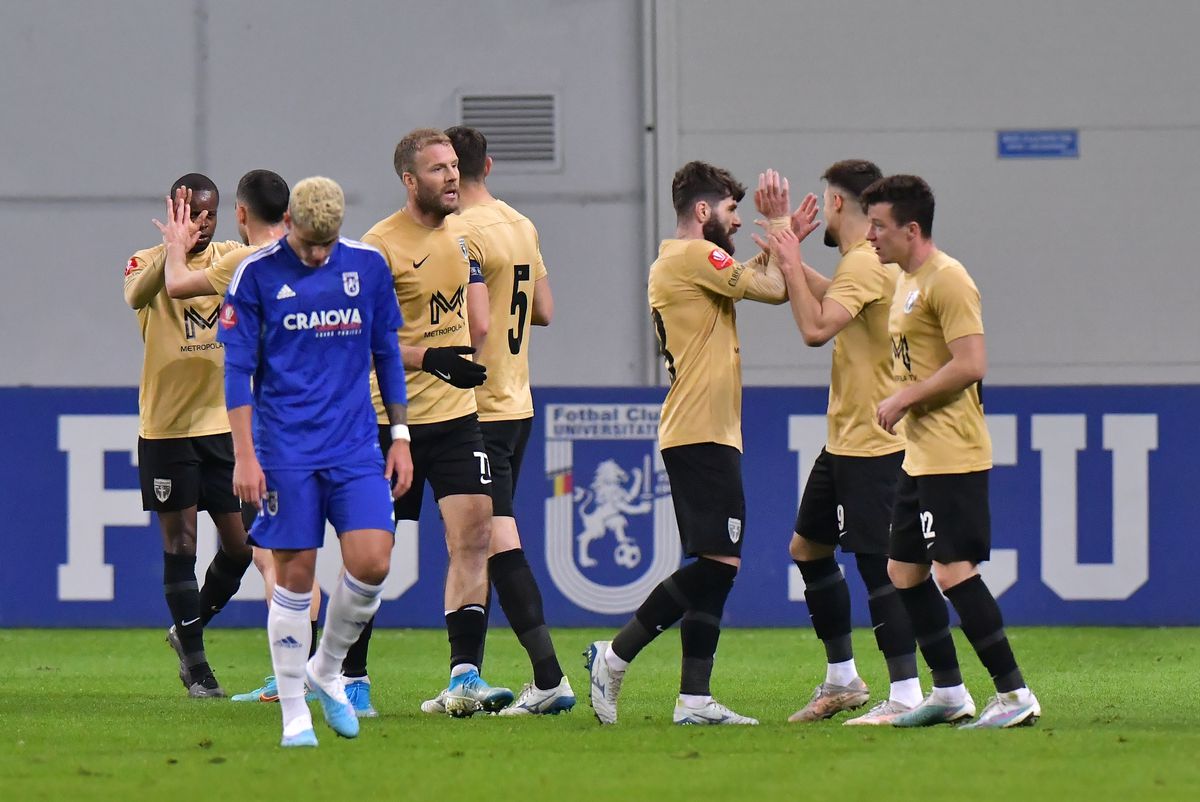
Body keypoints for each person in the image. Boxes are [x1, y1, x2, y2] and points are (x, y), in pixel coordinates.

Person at [210, 175, 413, 747]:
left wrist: (399, 436)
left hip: (353, 446)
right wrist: (245, 456)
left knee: (373, 562)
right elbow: (237, 372)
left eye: (328, 243)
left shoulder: (368, 268)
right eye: (309, 243)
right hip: (286, 450)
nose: (319, 254)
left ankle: (327, 668)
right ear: (290, 224)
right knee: (295, 578)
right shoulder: (256, 274)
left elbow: (387, 353)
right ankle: (294, 710)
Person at [586, 160, 789, 726]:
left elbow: (747, 275)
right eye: (729, 209)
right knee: (719, 563)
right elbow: (772, 289)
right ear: (703, 212)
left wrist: (778, 237)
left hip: (704, 429)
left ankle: (694, 699)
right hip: (701, 430)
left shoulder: (686, 262)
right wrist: (780, 230)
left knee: (715, 561)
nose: (736, 217)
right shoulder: (694, 256)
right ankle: (615, 654)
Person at [859, 174, 1040, 728]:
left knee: (953, 570)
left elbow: (971, 363)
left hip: (953, 454)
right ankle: (949, 692)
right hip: (920, 453)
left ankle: (1014, 695)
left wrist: (904, 397)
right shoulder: (905, 281)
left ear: (911, 229)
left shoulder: (949, 279)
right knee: (903, 571)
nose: (870, 236)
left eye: (879, 226)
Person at [346, 127, 510, 718]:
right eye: (438, 169)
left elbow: (478, 321)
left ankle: (464, 677)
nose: (451, 177)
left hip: (458, 418)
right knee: (373, 556)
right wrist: (429, 358)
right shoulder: (377, 247)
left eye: (454, 167)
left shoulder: (463, 237)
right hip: (392, 422)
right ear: (410, 180)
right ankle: (351, 675)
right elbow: (362, 339)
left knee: (474, 537)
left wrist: (467, 351)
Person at [761, 162, 922, 725]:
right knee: (808, 548)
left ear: (835, 204)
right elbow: (832, 295)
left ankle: (905, 694)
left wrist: (786, 260)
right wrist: (791, 255)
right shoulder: (862, 267)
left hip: (875, 444)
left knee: (881, 568)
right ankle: (843, 680)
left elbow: (815, 328)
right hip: (847, 441)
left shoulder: (862, 260)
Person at [162, 170, 324, 703]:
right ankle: (319, 671)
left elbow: (176, 284)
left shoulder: (247, 263)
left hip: (270, 429)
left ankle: (292, 676)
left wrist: (177, 244)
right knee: (295, 555)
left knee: (270, 558)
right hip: (321, 422)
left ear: (240, 214)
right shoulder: (320, 258)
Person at [442, 125, 573, 715]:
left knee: (493, 536)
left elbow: (470, 325)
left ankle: (548, 677)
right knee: (480, 538)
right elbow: (544, 309)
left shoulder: (456, 232)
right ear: (487, 166)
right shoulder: (521, 224)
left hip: (476, 406)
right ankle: (470, 675)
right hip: (517, 401)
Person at [126, 172, 253, 698]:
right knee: (181, 542)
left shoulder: (228, 257)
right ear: (173, 210)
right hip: (167, 430)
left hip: (221, 427)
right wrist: (170, 249)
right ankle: (199, 670)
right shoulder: (143, 260)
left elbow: (262, 255)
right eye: (191, 215)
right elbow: (138, 294)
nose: (201, 225)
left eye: (209, 215)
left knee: (242, 547)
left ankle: (186, 629)